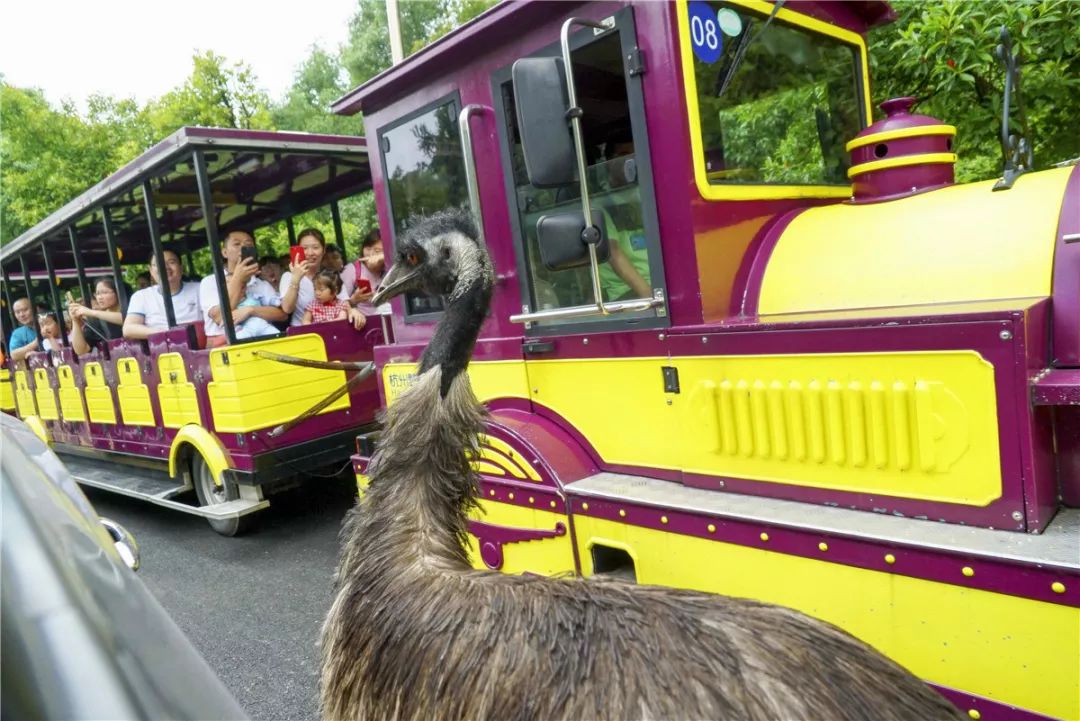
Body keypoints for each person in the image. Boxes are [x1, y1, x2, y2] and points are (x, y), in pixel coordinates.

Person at [200, 229, 286, 346]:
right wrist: (238, 279)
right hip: (223, 344)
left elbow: (282, 314)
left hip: (261, 340)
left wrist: (251, 310)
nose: (243, 247)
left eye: (248, 244)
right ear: (224, 252)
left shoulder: (261, 283)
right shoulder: (210, 282)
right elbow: (220, 317)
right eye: (237, 244)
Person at [281, 228, 366, 330]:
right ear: (299, 250)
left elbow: (344, 304)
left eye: (315, 247)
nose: (310, 252)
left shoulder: (332, 275)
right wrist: (296, 279)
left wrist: (353, 311)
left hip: (332, 330)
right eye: (305, 248)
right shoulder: (288, 276)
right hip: (303, 333)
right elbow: (287, 309)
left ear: (323, 250)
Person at [123, 250, 201, 339]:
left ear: (181, 267)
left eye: (171, 262)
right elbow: (128, 329)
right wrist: (168, 334)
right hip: (161, 347)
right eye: (158, 263)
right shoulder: (141, 296)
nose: (165, 267)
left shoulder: (200, 289)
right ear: (151, 270)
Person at [68, 277, 125, 354]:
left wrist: (91, 312)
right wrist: (75, 321)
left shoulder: (133, 309)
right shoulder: (96, 321)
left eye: (104, 292)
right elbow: (81, 350)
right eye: (97, 293)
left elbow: (127, 320)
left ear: (118, 292)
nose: (100, 297)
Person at [341, 228, 385, 315]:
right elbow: (336, 304)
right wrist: (353, 300)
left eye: (377, 251)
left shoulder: (390, 267)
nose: (371, 254)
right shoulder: (351, 270)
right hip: (364, 325)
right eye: (368, 249)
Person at [9, 297, 40, 362]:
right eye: (17, 312)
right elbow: (14, 355)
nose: (22, 315)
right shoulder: (17, 333)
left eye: (25, 310)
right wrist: (37, 342)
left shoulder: (50, 324)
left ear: (36, 309)